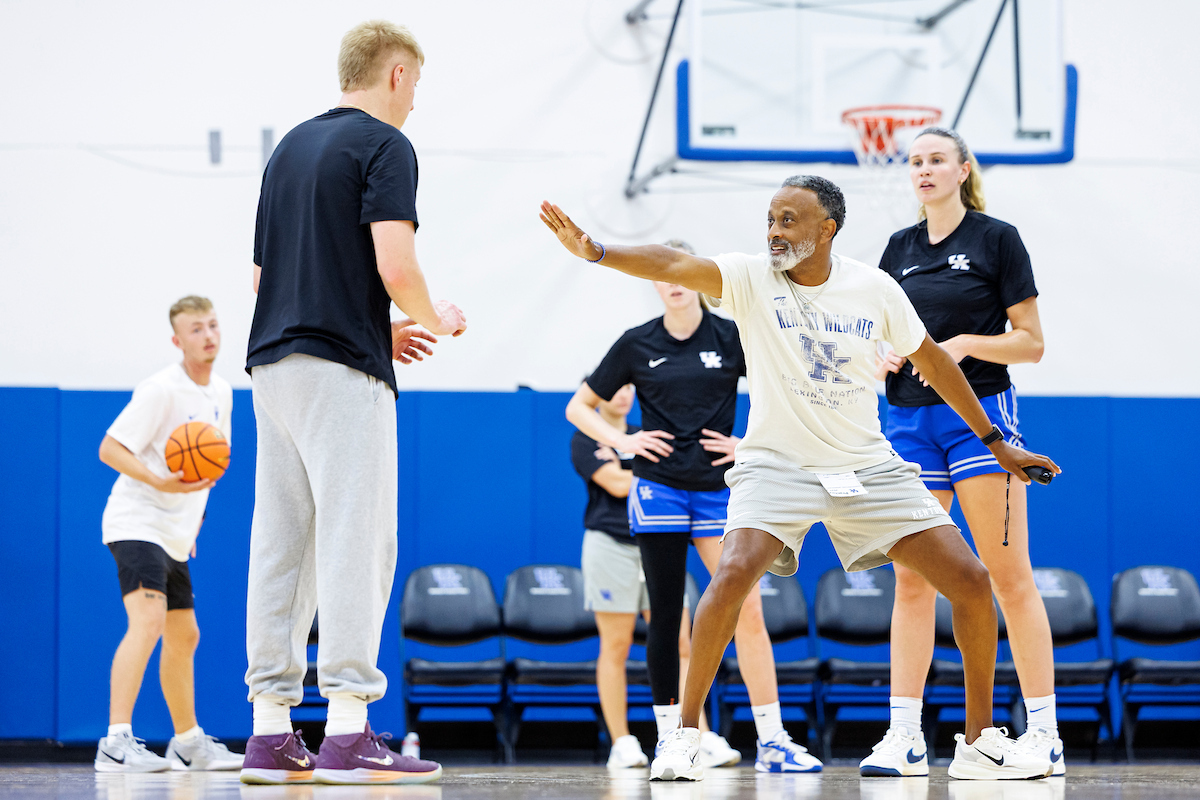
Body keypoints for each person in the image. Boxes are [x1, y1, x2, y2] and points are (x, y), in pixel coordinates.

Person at [539, 175, 1061, 782]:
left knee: (971, 581)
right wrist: (598, 251)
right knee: (733, 573)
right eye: (770, 219)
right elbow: (674, 262)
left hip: (865, 465)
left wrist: (996, 443)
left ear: (826, 229)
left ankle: (977, 743)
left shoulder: (874, 288)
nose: (774, 232)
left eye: (788, 220)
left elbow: (935, 362)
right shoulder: (750, 278)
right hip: (777, 466)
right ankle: (683, 736)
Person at [241, 20, 465, 786]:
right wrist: (435, 319)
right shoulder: (385, 145)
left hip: (273, 367)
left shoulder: (289, 149)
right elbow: (396, 265)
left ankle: (270, 733)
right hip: (340, 372)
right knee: (355, 541)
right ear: (396, 74)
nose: (415, 102)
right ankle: (346, 729)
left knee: (281, 546)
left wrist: (376, 325)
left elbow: (265, 280)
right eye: (417, 85)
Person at [566, 242, 820, 774]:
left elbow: (792, 387)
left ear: (701, 278)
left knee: (746, 608)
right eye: (662, 274)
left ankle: (773, 740)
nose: (673, 282)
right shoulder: (637, 343)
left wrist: (750, 443)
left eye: (682, 272)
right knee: (665, 614)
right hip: (658, 488)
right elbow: (579, 407)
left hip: (717, 490)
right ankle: (672, 740)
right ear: (653, 283)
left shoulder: (732, 335)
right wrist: (625, 442)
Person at [859, 127, 1061, 778]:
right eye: (915, 161)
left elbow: (1031, 343)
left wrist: (966, 345)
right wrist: (881, 352)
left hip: (980, 418)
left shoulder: (997, 239)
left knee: (1007, 575)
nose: (923, 169)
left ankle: (1044, 733)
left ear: (962, 169)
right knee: (912, 578)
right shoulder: (899, 249)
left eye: (936, 159)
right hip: (906, 422)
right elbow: (877, 332)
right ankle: (905, 736)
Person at [94, 295, 242, 773]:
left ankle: (188, 743)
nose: (209, 335)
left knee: (185, 633)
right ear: (177, 340)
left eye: (213, 325)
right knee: (148, 620)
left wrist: (192, 522)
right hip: (137, 519)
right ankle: (115, 743)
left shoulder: (222, 392)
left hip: (173, 532)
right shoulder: (161, 390)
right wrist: (159, 481)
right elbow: (110, 448)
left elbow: (211, 465)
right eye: (196, 329)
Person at [572, 382, 741, 769]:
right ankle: (622, 742)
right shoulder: (586, 438)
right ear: (597, 394)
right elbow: (616, 484)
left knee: (682, 641)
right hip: (611, 545)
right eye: (614, 387)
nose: (622, 394)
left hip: (659, 541)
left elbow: (647, 476)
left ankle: (697, 734)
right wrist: (665, 477)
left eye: (629, 387)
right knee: (615, 645)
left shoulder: (645, 434)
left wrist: (661, 474)